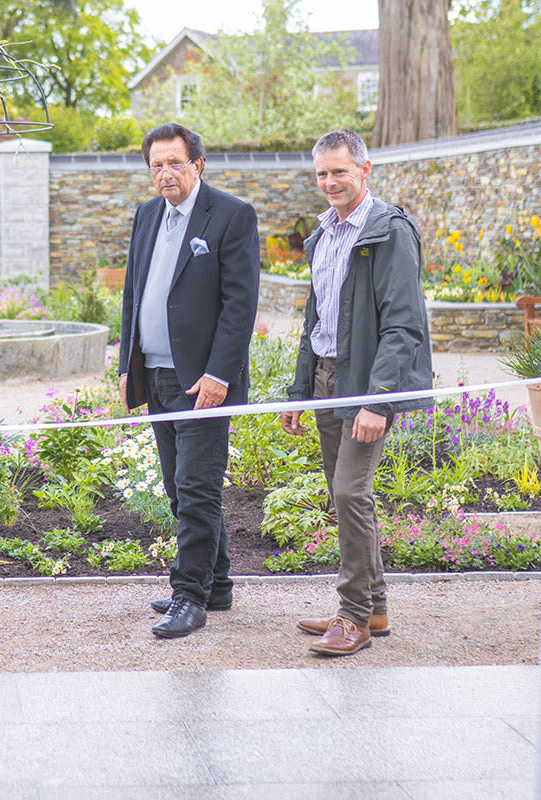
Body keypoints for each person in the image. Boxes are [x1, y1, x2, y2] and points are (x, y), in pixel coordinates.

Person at [280, 129, 432, 657]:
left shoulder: (389, 230)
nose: (329, 182)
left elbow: (404, 325)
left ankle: (353, 618)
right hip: (325, 379)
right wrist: (301, 390)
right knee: (347, 498)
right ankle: (377, 606)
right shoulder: (322, 235)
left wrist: (378, 399)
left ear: (366, 170)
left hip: (366, 382)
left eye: (340, 171)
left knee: (349, 491)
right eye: (322, 173)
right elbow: (315, 321)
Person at [118, 123, 260, 639]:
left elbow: (240, 305)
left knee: (196, 488)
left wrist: (220, 373)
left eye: (175, 163)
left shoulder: (232, 215)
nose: (165, 173)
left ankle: (190, 595)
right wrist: (125, 365)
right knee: (180, 489)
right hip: (155, 374)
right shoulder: (147, 214)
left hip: (203, 381)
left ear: (198, 165)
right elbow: (133, 293)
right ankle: (217, 583)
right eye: (156, 164)